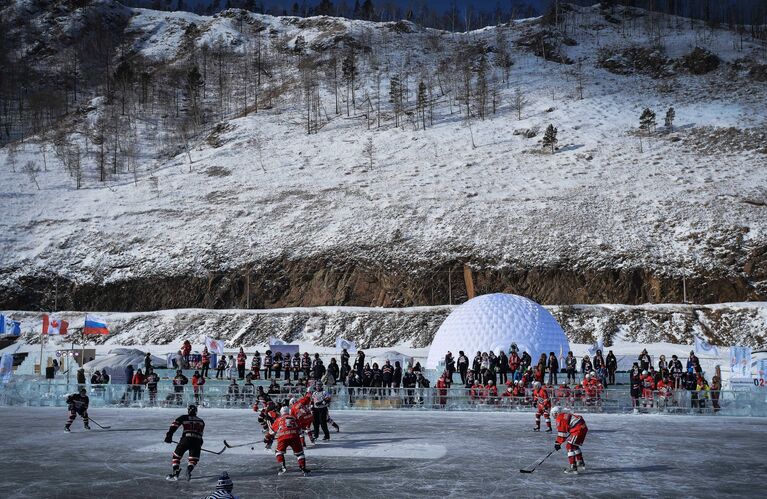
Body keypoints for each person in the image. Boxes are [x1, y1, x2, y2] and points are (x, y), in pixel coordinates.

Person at [164, 404, 204, 481]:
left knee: (176, 456)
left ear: (188, 410)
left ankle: (175, 471)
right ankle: (189, 470)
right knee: (193, 460)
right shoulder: (201, 421)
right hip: (197, 441)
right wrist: (199, 445)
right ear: (196, 411)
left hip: (186, 439)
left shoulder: (183, 417)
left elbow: (174, 425)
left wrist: (169, 436)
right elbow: (201, 435)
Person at [270, 406, 310, 475]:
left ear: (281, 412)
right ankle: (303, 468)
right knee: (299, 453)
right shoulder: (294, 418)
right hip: (294, 436)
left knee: (278, 452)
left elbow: (272, 431)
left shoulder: (278, 419)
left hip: (283, 437)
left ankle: (283, 467)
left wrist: (268, 438)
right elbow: (300, 429)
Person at [552, 406, 588, 474]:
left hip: (578, 430)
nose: (553, 415)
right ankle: (580, 462)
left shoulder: (560, 418)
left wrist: (557, 443)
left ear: (556, 413)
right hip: (582, 428)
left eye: (553, 413)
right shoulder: (563, 415)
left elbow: (562, 433)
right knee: (574, 445)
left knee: (569, 446)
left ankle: (573, 467)